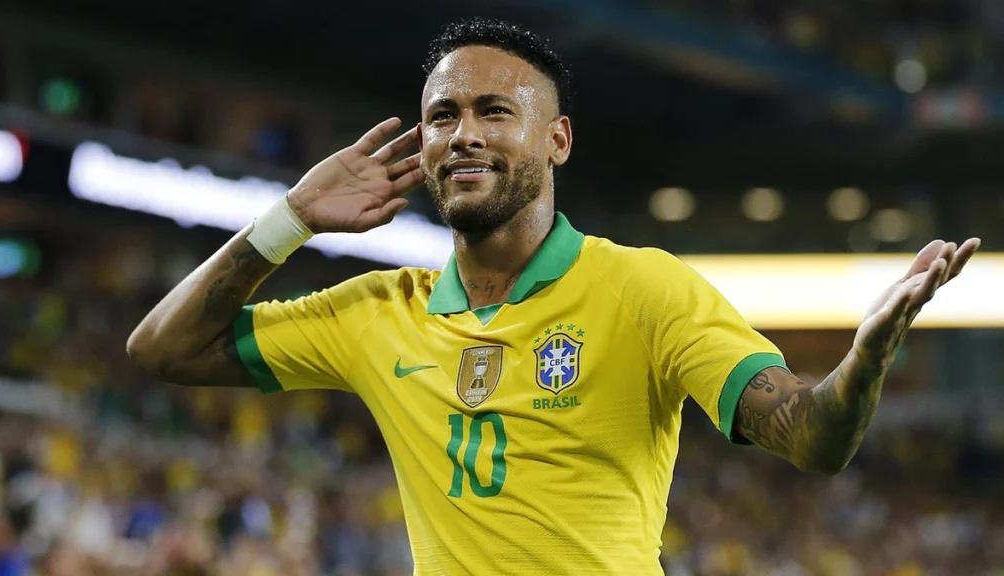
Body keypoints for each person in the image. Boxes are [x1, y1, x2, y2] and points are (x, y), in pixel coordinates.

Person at [127, 17, 980, 575]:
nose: (463, 132)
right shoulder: (375, 311)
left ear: (557, 138)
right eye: (442, 115)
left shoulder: (645, 289)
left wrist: (863, 362)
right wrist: (288, 221)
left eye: (495, 111)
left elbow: (811, 437)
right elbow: (161, 350)